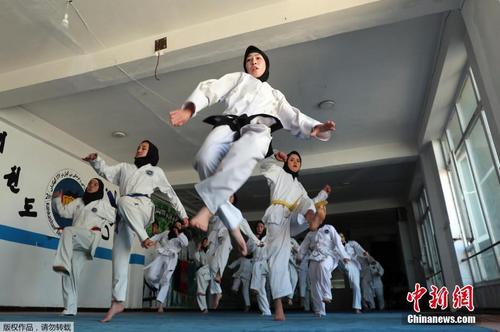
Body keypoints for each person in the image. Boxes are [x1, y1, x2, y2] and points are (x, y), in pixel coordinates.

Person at [169, 45, 335, 256]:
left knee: (247, 150)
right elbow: (211, 88)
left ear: (266, 65)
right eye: (249, 60)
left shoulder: (274, 95)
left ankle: (208, 209)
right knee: (204, 158)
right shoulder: (238, 78)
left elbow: (293, 116)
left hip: (257, 129)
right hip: (228, 125)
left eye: (258, 58)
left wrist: (315, 127)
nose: (253, 62)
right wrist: (190, 108)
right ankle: (234, 228)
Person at [82, 140, 188, 322]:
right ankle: (118, 301)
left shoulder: (155, 171)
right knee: (119, 256)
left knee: (122, 201)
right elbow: (106, 172)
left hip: (143, 208)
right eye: (138, 147)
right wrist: (95, 161)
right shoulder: (124, 168)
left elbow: (170, 193)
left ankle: (144, 237)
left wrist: (183, 214)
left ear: (151, 153)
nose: (139, 149)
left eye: (144, 148)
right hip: (125, 215)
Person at [260, 150, 330, 320]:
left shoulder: (299, 186)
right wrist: (274, 156)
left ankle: (313, 220)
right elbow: (264, 165)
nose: (295, 162)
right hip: (277, 215)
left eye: (298, 160)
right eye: (291, 159)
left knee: (307, 201)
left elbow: (309, 202)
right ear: (286, 162)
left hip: (292, 218)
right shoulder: (278, 172)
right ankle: (278, 306)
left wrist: (323, 195)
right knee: (279, 259)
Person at [52, 178, 116, 316]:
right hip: (76, 240)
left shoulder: (102, 204)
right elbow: (63, 212)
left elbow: (116, 216)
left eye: (95, 184)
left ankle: (62, 262)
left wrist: (117, 205)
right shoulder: (79, 202)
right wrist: (57, 200)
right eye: (90, 183)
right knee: (70, 275)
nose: (91, 185)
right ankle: (70, 308)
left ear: (99, 189)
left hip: (90, 237)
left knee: (68, 231)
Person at [298, 213, 349, 317]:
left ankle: (327, 294)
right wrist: (299, 257)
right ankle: (319, 310)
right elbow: (303, 247)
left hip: (329, 255)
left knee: (323, 267)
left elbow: (338, 242)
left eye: (312, 220)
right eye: (309, 222)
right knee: (314, 282)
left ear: (320, 220)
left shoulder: (329, 228)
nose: (310, 223)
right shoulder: (309, 235)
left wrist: (344, 255)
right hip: (314, 257)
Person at [144, 226, 190, 312]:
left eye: (179, 226)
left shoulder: (182, 237)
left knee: (165, 280)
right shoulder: (166, 233)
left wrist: (178, 234)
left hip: (171, 258)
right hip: (162, 254)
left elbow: (185, 243)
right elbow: (157, 237)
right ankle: (156, 285)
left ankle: (160, 306)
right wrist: (149, 241)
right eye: (176, 226)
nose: (177, 227)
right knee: (150, 275)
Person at [338, 233, 368, 314]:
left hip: (353, 265)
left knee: (356, 286)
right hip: (341, 264)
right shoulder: (335, 246)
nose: (340, 238)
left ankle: (357, 307)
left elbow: (359, 248)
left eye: (341, 236)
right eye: (338, 237)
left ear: (344, 237)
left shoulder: (351, 243)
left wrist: (363, 252)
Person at [249, 221, 271, 316]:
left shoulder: (268, 238)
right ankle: (266, 311)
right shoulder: (252, 238)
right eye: (258, 226)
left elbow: (271, 251)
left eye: (261, 227)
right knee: (261, 289)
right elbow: (248, 250)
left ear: (264, 228)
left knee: (261, 288)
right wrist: (255, 243)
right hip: (256, 263)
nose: (259, 228)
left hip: (264, 264)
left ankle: (266, 310)